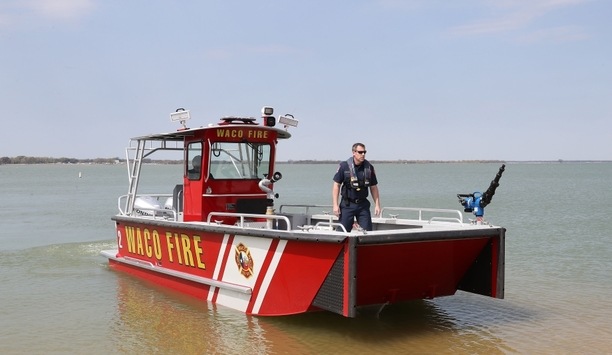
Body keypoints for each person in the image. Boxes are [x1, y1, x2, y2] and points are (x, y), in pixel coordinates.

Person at [332, 143, 381, 232]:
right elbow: (336, 185)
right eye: (360, 152)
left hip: (363, 205)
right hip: (347, 205)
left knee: (367, 232)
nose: (363, 154)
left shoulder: (369, 168)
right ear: (354, 152)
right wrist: (335, 205)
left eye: (364, 152)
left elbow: (373, 187)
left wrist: (377, 205)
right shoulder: (344, 166)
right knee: (342, 232)